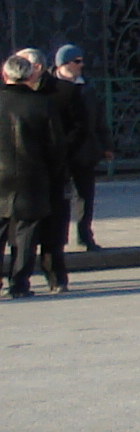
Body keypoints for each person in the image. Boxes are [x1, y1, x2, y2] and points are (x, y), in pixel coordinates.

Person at [0, 49, 67, 298]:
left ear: (4, 74)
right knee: (27, 232)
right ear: (30, 76)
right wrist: (51, 173)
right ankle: (19, 283)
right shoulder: (42, 104)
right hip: (33, 177)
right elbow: (57, 146)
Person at [51, 45, 106, 251]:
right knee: (59, 197)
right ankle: (58, 238)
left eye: (81, 60)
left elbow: (98, 118)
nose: (81, 65)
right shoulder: (50, 87)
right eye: (76, 61)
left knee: (85, 194)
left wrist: (105, 144)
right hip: (60, 150)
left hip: (85, 148)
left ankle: (85, 235)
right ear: (63, 64)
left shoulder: (87, 87)